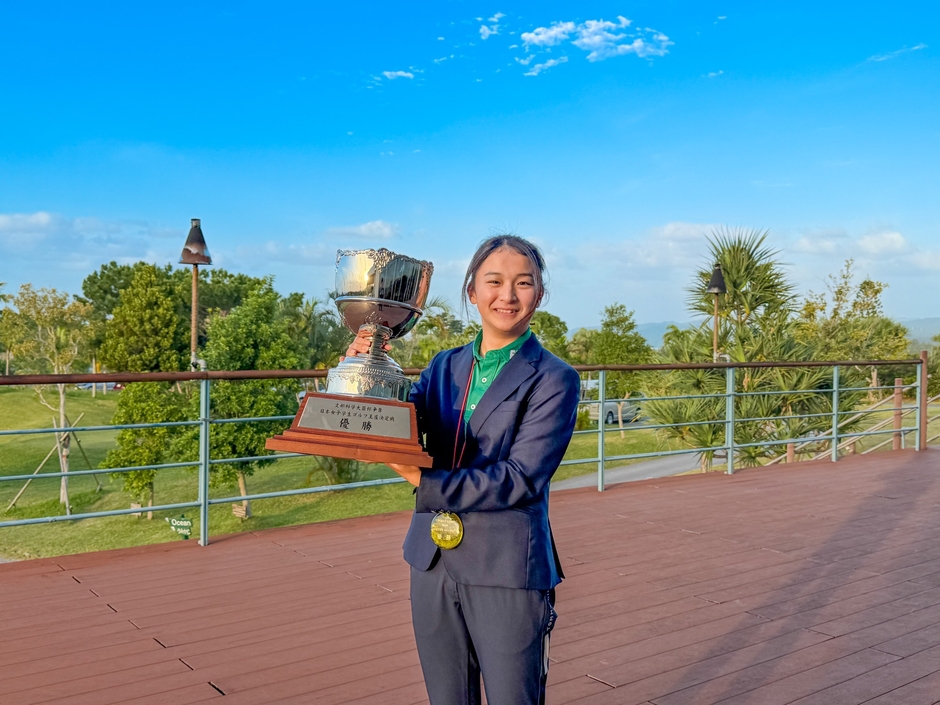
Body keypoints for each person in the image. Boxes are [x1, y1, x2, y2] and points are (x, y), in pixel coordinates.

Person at [345, 235, 581, 705]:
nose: (507, 296)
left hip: (506, 563)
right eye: (493, 281)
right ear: (472, 290)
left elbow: (520, 478)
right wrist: (364, 372)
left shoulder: (555, 378)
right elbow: (400, 425)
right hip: (431, 558)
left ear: (540, 294)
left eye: (523, 284)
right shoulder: (445, 365)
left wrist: (421, 480)